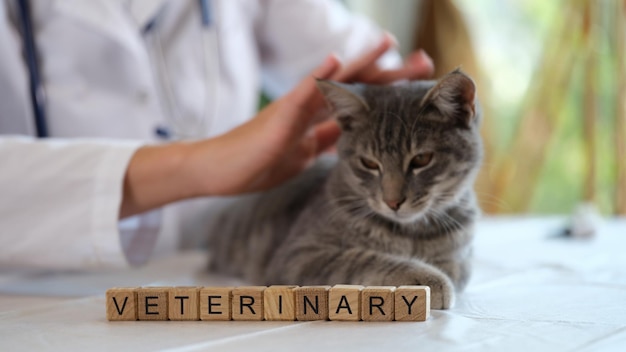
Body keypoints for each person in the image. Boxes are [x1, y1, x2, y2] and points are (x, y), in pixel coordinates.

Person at [0, 0, 433, 270]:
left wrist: (390, 111)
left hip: (211, 265)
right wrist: (203, 165)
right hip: (33, 284)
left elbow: (357, 57)